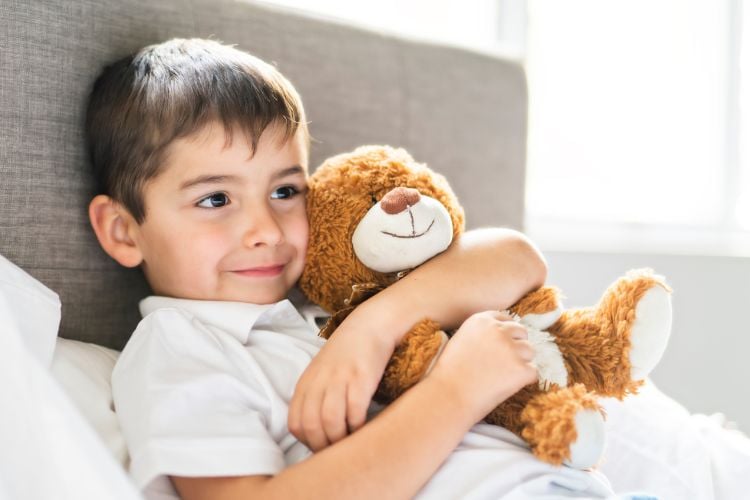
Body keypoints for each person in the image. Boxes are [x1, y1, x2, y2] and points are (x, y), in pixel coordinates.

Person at [85, 38, 619, 500]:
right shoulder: (180, 351)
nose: (266, 229)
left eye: (285, 191)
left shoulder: (333, 298)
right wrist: (457, 391)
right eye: (215, 199)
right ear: (123, 231)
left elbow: (516, 258)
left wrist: (373, 326)